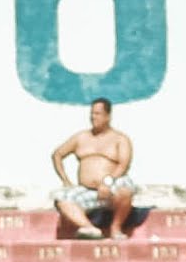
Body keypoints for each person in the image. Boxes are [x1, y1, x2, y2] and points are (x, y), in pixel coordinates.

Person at [51, 105, 147, 245]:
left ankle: (116, 227)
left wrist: (107, 182)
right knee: (62, 199)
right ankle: (89, 228)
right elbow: (57, 154)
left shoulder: (120, 139)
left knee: (126, 189)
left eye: (98, 113)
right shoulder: (81, 137)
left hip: (113, 184)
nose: (93, 117)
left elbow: (124, 165)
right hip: (88, 190)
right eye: (92, 113)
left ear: (108, 116)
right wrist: (65, 180)